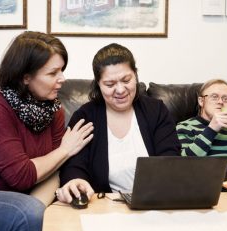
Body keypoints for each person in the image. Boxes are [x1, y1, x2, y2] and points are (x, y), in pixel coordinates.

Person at [0, 31, 93, 231]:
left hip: (18, 200)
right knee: (27, 214)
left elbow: (54, 172)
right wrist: (65, 149)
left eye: (62, 70)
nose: (62, 79)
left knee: (32, 214)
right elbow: (21, 176)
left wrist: (35, 214)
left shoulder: (54, 109)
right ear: (25, 77)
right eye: (53, 73)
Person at [56, 43, 181, 204]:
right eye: (110, 84)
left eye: (126, 80)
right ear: (98, 84)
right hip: (104, 206)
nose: (121, 90)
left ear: (135, 75)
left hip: (154, 202)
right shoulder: (85, 116)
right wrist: (75, 181)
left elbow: (170, 158)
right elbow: (74, 164)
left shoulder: (156, 111)